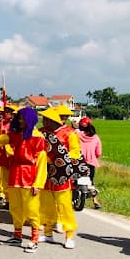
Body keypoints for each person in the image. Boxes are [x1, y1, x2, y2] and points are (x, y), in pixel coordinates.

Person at [0, 107, 48, 253]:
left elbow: (42, 163)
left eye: (22, 118)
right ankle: (17, 236)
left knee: (31, 210)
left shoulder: (38, 138)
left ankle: (34, 239)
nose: (20, 121)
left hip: (30, 178)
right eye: (19, 118)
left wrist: (38, 183)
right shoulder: (15, 134)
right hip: (15, 175)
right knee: (15, 208)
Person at [38, 107, 80, 249]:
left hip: (61, 174)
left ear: (52, 120)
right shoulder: (41, 132)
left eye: (46, 119)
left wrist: (61, 158)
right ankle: (48, 232)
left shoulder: (70, 133)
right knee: (45, 205)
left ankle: (69, 235)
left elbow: (75, 153)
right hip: (45, 173)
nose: (43, 121)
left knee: (64, 205)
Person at [77, 117, 103, 209]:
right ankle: (95, 200)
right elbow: (98, 153)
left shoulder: (77, 134)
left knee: (72, 179)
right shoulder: (96, 137)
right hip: (91, 163)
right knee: (90, 182)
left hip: (78, 161)